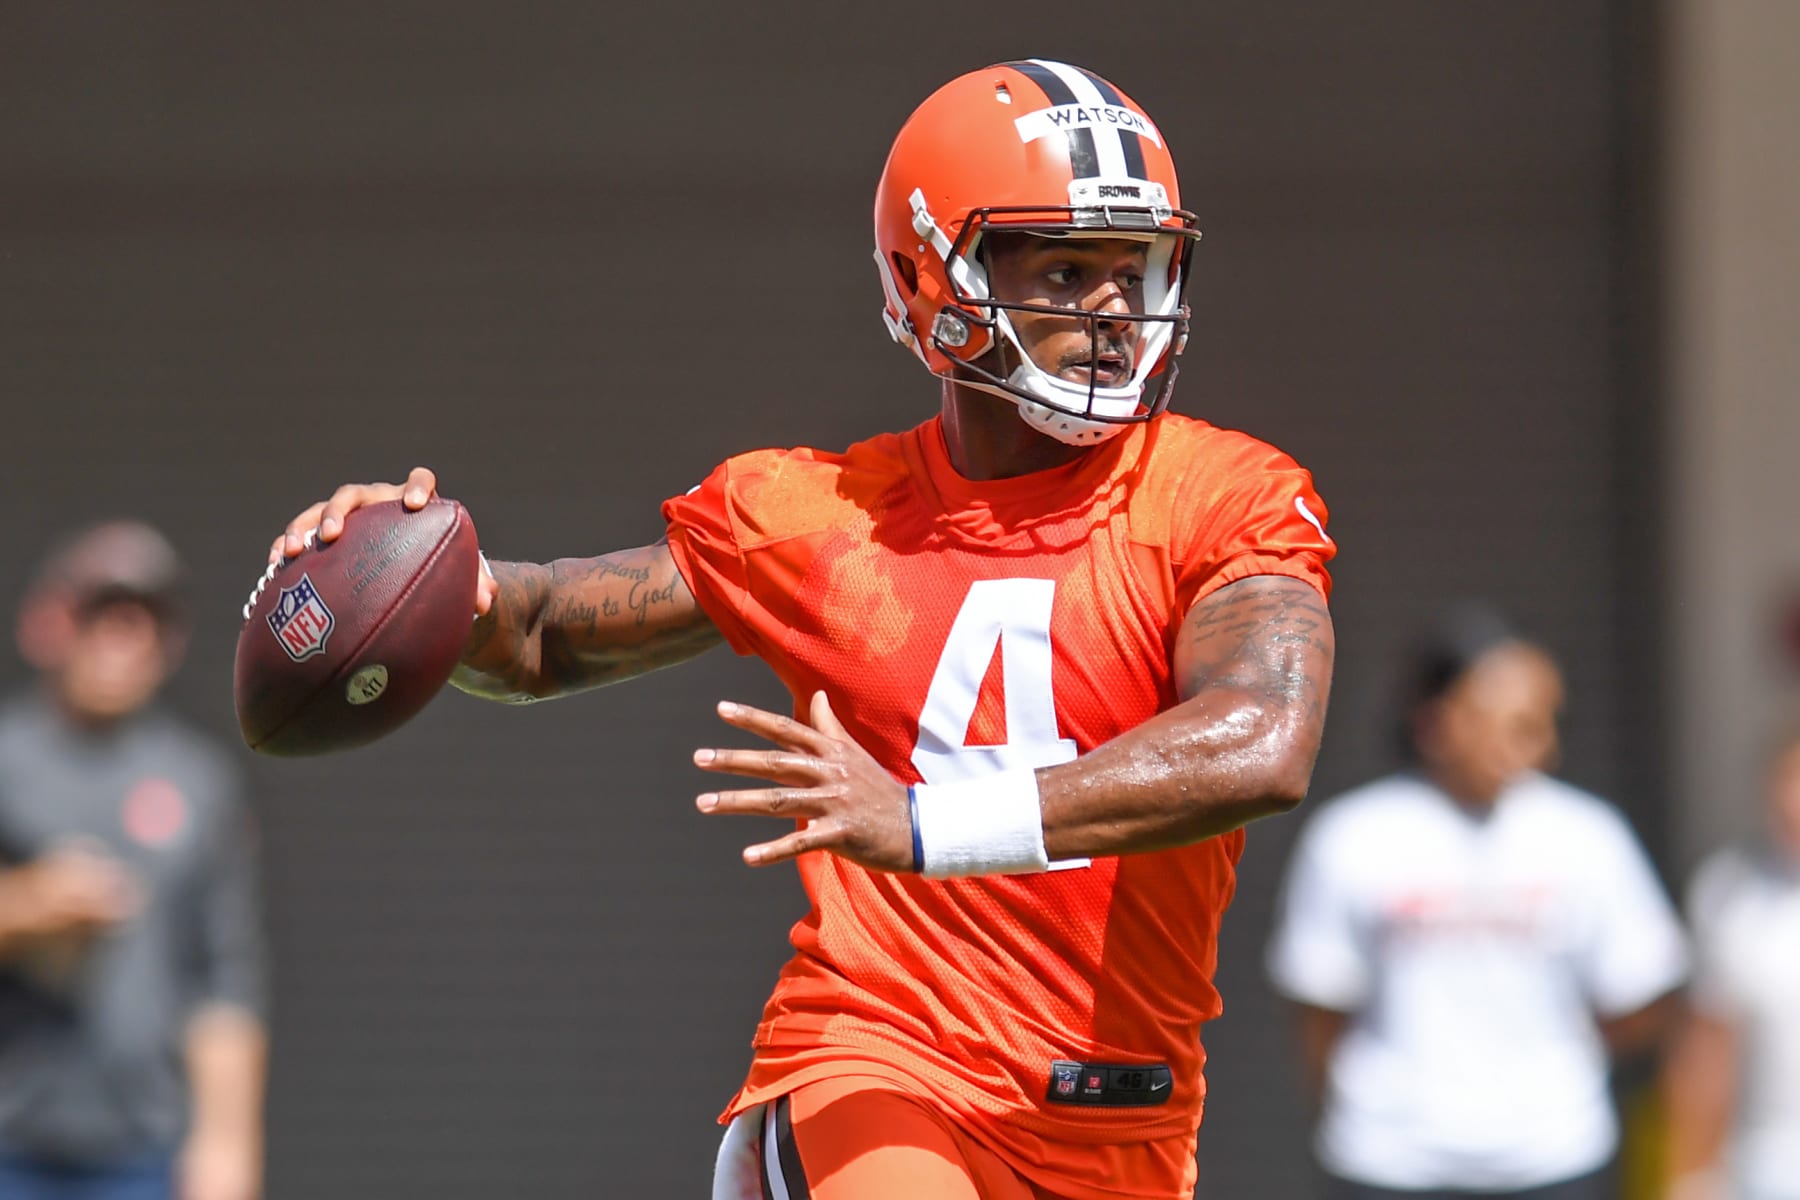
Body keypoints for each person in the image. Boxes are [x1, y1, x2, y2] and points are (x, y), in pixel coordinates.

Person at [268, 60, 1336, 1200]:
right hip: (876, 1070)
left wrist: (925, 822)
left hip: (1120, 1120)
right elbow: (533, 634)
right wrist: (412, 569)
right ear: (932, 279)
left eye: (1134, 271)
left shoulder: (1224, 495)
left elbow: (1263, 740)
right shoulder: (821, 516)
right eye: (1069, 269)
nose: (1114, 313)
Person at [1266, 606, 1687, 1200]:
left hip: (1552, 1158)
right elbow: (1320, 1005)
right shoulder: (1353, 837)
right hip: (1391, 1164)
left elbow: (1642, 992)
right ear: (1437, 721)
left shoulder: (1588, 835)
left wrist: (1553, 1060)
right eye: (1515, 723)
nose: (1539, 746)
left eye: (1544, 723)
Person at [0, 522, 267, 1200]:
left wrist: (227, 1149)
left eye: (146, 619)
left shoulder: (196, 783)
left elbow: (225, 983)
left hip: (140, 1150)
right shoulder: (7, 760)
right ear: (56, 625)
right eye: (105, 615)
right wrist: (29, 908)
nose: (125, 638)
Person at [1661, 728, 1800, 1200]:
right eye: (1787, 781)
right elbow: (1707, 1045)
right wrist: (1690, 1175)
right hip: (1766, 1172)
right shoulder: (1728, 889)